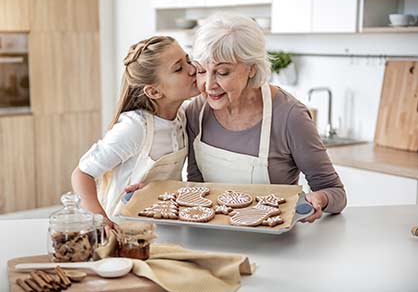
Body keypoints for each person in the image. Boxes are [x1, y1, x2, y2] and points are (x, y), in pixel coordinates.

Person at [186, 14, 346, 222]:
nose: (208, 85)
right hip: (210, 237)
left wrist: (320, 198)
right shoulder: (196, 112)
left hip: (274, 241)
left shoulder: (290, 117)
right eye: (201, 71)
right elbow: (195, 186)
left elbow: (335, 192)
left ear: (251, 68)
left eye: (222, 73)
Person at [71, 36, 198, 227]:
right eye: (178, 68)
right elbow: (81, 174)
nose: (193, 69)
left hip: (163, 225)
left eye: (188, 59)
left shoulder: (182, 116)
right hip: (125, 228)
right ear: (154, 92)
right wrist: (102, 221)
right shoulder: (135, 128)